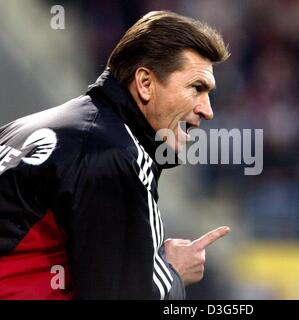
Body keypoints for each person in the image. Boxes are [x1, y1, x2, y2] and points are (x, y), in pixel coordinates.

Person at [0, 10, 230, 299]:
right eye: (196, 88)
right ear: (145, 83)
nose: (207, 110)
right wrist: (172, 274)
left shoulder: (23, 129)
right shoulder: (115, 154)